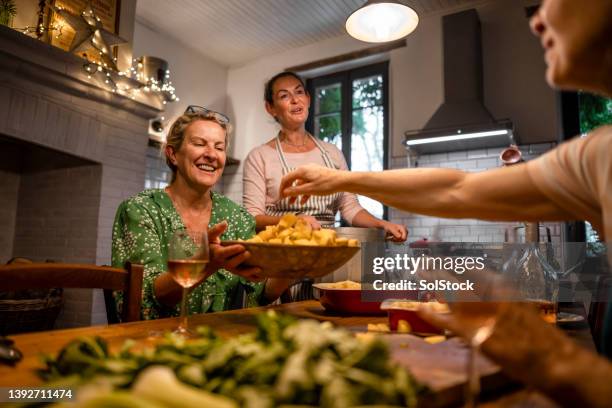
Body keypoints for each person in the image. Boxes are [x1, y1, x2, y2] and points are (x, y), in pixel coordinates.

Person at [279, 0, 612, 406]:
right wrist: (340, 179)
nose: (537, 18)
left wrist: (552, 360)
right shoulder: (597, 156)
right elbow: (456, 191)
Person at [112, 107, 290, 320]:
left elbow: (261, 293)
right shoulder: (141, 210)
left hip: (220, 342)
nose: (212, 154)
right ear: (173, 154)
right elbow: (150, 296)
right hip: (156, 341)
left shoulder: (236, 217)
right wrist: (208, 263)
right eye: (199, 143)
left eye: (219, 147)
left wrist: (293, 265)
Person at [242, 71, 407, 241]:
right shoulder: (259, 156)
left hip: (326, 248)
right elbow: (251, 218)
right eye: (284, 96)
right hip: (280, 250)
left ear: (308, 99)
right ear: (270, 108)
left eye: (299, 92)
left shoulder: (332, 153)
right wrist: (292, 221)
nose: (295, 100)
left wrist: (381, 224)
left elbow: (349, 206)